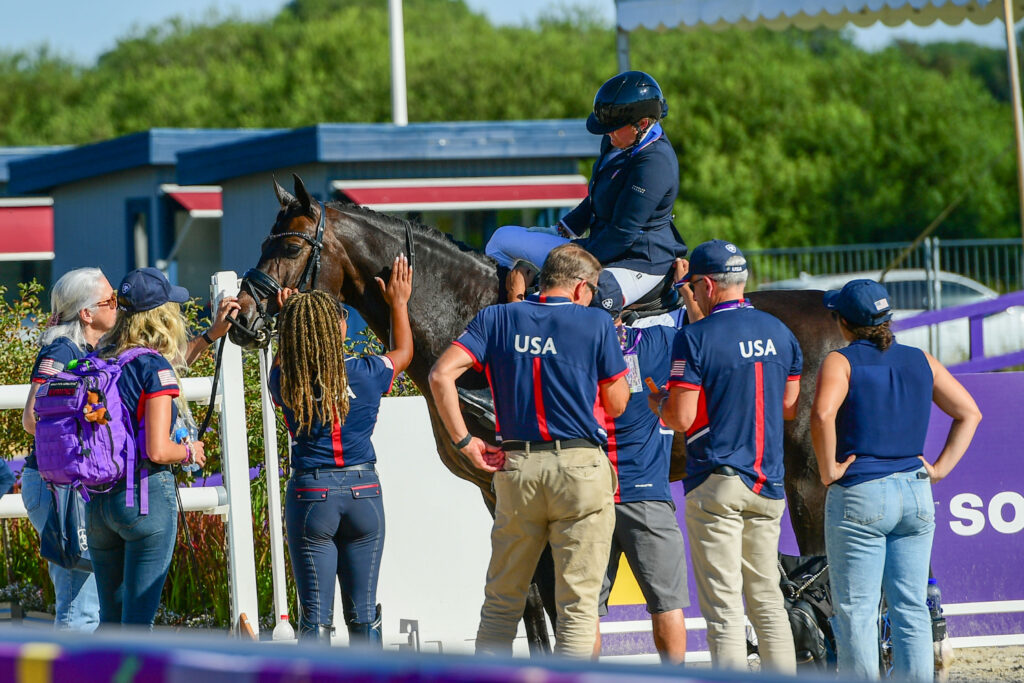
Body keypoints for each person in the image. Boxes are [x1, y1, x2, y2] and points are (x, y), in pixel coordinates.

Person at [429, 243, 630, 658]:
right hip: (578, 467)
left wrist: (465, 442)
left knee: (502, 603)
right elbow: (616, 403)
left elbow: (440, 374)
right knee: (577, 610)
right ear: (579, 288)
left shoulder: (496, 318)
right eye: (591, 290)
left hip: (517, 466)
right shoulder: (595, 323)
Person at [811, 279, 981, 682]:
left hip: (861, 493)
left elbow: (821, 414)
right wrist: (938, 469)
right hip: (915, 490)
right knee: (911, 606)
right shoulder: (921, 358)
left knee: (857, 610)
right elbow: (969, 412)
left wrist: (828, 470)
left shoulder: (841, 360)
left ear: (844, 322)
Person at [650, 240, 801, 673]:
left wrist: (656, 402)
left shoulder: (693, 338)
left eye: (694, 288)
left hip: (717, 479)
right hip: (767, 481)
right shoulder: (779, 331)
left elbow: (681, 418)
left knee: (724, 610)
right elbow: (789, 406)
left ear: (708, 285)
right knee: (768, 601)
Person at [269, 255, 413, 645]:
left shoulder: (286, 380)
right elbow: (404, 353)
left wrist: (289, 318)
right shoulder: (367, 373)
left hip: (311, 495)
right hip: (365, 493)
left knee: (315, 619)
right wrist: (398, 303)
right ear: (341, 328)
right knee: (364, 616)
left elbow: (282, 363)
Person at [85, 267, 224, 627]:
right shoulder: (153, 366)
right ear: (161, 316)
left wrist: (211, 336)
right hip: (144, 499)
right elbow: (159, 450)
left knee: (111, 625)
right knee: (138, 627)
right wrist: (191, 451)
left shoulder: (101, 358)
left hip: (99, 502)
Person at [486, 71, 686, 306]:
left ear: (642, 124)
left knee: (591, 297)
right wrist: (562, 231)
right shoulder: (615, 140)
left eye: (614, 128)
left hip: (638, 261)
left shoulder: (655, 163)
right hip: (596, 245)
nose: (607, 134)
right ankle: (494, 316)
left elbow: (622, 234)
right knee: (502, 239)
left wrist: (566, 258)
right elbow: (596, 198)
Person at [588, 273, 689, 664]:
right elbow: (697, 330)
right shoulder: (659, 343)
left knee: (584, 612)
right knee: (667, 603)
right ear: (625, 312)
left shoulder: (571, 350)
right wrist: (682, 288)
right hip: (647, 492)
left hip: (589, 495)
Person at [20, 267, 115, 631]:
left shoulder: (92, 349)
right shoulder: (62, 350)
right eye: (110, 301)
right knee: (80, 604)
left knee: (87, 601)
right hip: (57, 489)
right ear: (86, 313)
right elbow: (32, 417)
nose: (116, 307)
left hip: (69, 487)